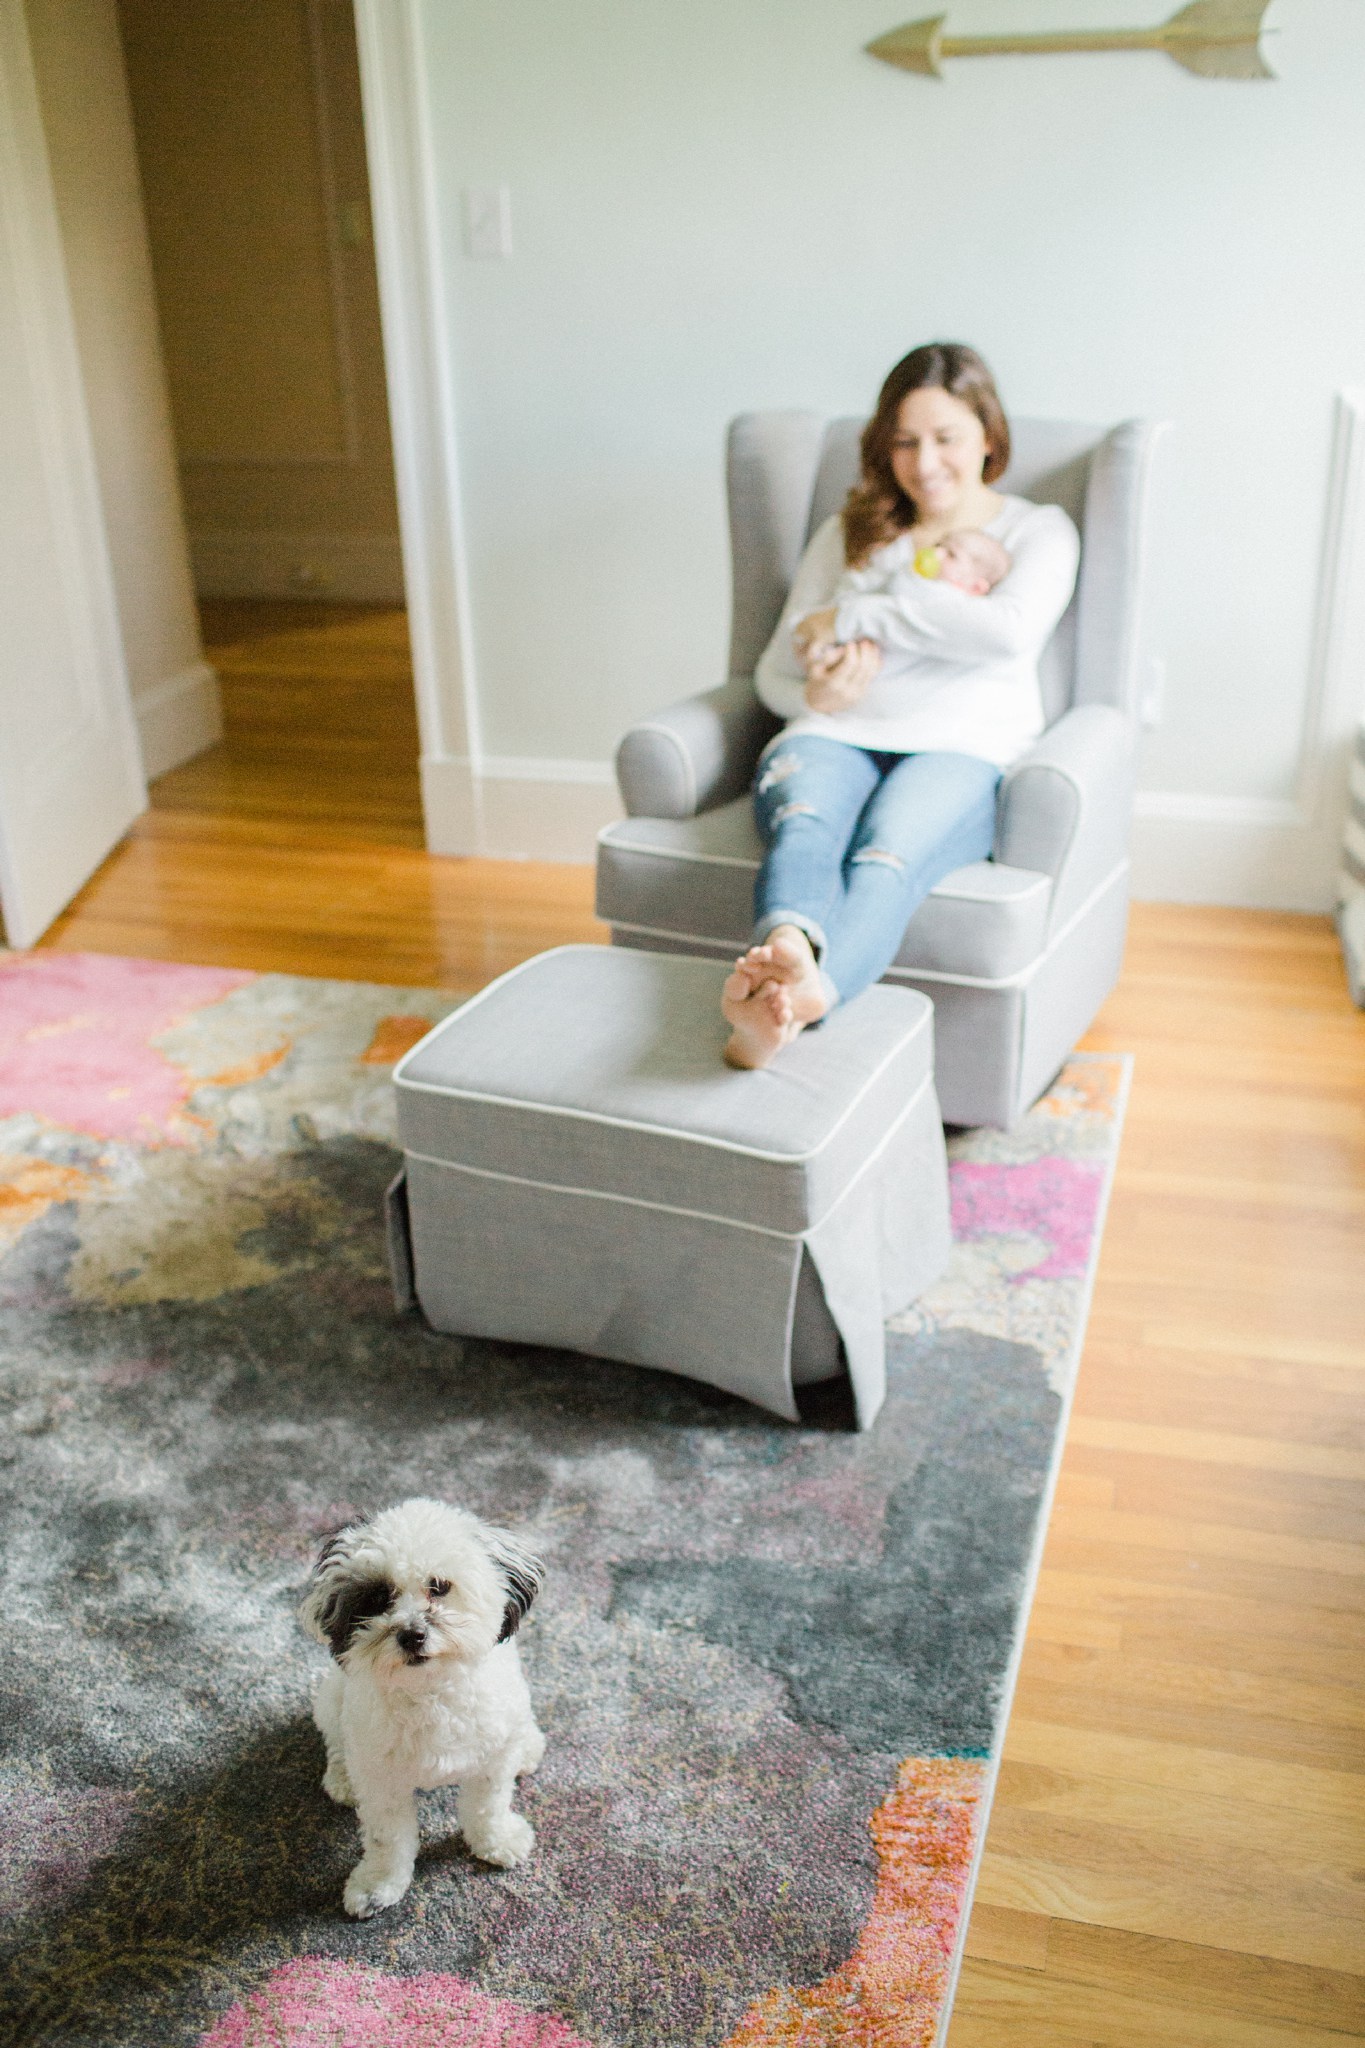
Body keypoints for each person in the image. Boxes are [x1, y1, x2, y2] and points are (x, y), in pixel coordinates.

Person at [721, 341, 1079, 1070]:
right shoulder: (849, 532)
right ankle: (784, 955)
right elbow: (771, 673)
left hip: (961, 745)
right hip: (831, 732)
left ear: (987, 435)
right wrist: (813, 694)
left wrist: (859, 615)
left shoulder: (1034, 532)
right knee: (804, 828)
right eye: (905, 442)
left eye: (945, 438)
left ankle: (803, 1002)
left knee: (887, 853)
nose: (924, 463)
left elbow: (1003, 635)